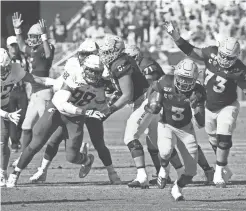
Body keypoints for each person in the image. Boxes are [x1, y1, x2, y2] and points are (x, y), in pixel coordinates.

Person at [164, 21, 246, 188]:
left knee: (224, 136)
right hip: (208, 105)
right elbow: (191, 50)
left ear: (236, 57)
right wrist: (176, 36)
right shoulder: (211, 53)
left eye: (229, 58)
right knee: (214, 140)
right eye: (223, 55)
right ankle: (224, 167)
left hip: (228, 105)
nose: (225, 59)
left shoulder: (239, 70)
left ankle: (218, 173)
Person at [29, 43, 121, 185]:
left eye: (87, 53)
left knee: (98, 142)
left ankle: (112, 173)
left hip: (92, 110)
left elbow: (112, 89)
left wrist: (108, 100)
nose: (83, 56)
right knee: (54, 140)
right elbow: (62, 83)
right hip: (72, 109)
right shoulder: (72, 63)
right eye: (82, 52)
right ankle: (42, 170)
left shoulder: (101, 69)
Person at [125, 45, 214, 186]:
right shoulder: (126, 69)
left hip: (162, 105)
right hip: (157, 105)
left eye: (127, 58)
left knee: (183, 143)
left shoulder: (148, 66)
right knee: (157, 144)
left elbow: (153, 88)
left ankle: (203, 170)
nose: (125, 61)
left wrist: (197, 109)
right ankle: (163, 172)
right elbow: (152, 88)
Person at [93, 35, 150, 188]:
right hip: (146, 100)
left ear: (116, 50)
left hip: (147, 101)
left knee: (131, 136)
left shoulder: (120, 63)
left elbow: (127, 95)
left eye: (107, 51)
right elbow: (120, 92)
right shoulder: (118, 62)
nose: (104, 54)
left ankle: (142, 175)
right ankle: (172, 173)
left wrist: (109, 110)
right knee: (160, 141)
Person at [146, 59, 205, 200]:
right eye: (182, 78)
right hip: (167, 124)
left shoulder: (198, 91)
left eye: (188, 79)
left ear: (195, 79)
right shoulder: (166, 81)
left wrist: (196, 107)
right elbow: (153, 88)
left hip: (186, 129)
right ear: (176, 75)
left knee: (191, 171)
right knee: (165, 151)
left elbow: (201, 123)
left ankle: (177, 187)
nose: (184, 82)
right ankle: (164, 168)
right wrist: (152, 102)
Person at [0, 48, 55, 187]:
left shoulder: (15, 69)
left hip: (4, 107)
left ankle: (2, 173)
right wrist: (7, 115)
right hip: (4, 111)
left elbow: (33, 78)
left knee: (3, 141)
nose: (4, 70)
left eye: (6, 67)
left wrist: (54, 82)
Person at [11, 12, 55, 168]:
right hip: (35, 94)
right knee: (26, 127)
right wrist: (18, 30)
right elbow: (22, 46)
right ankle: (23, 157)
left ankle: (77, 145)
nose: (31, 38)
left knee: (49, 130)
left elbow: (48, 54)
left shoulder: (45, 47)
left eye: (33, 36)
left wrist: (43, 36)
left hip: (44, 93)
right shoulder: (34, 50)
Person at [6, 36, 29, 152]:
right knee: (12, 116)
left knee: (23, 115)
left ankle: (16, 137)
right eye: (12, 45)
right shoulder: (4, 57)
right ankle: (14, 142)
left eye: (16, 45)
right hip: (9, 91)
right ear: (8, 47)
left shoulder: (23, 57)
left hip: (21, 90)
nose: (14, 48)